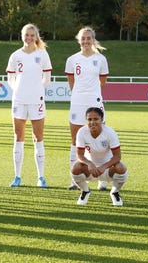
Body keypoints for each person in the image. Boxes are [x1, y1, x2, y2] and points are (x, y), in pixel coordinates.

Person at [6, 23, 52, 188]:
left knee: (38, 138)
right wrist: (17, 89)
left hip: (36, 100)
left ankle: (41, 177)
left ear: (36, 37)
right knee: (18, 138)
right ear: (22, 36)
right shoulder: (15, 56)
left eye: (32, 35)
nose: (29, 38)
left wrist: (39, 90)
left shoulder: (42, 54)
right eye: (27, 35)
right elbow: (11, 78)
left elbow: (47, 77)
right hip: (19, 100)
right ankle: (17, 176)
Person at [65, 27, 110, 191]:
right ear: (79, 40)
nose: (85, 41)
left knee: (100, 139)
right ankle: (74, 180)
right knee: (75, 141)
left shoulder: (101, 59)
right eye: (83, 39)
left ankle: (102, 181)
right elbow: (71, 81)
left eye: (88, 38)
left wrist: (92, 94)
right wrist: (79, 94)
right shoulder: (72, 59)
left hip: (94, 101)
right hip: (77, 102)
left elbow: (102, 82)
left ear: (93, 40)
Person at [70, 107, 128, 206]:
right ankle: (85, 191)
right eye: (89, 119)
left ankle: (115, 192)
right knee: (75, 168)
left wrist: (103, 166)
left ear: (102, 120)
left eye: (96, 119)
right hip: (90, 169)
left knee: (121, 168)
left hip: (107, 168)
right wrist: (89, 163)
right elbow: (79, 155)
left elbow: (117, 156)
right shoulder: (82, 132)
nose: (92, 122)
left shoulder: (110, 133)